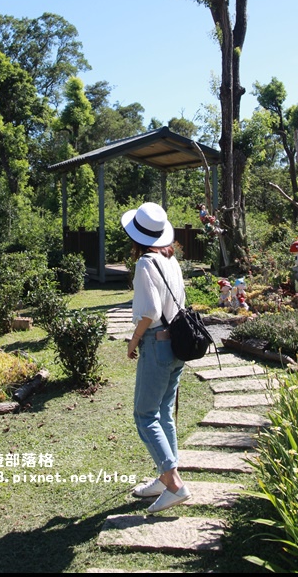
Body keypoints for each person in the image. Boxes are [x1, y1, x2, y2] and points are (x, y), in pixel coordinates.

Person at [121, 201, 192, 514]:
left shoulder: (145, 264)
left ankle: (173, 483)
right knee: (163, 411)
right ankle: (165, 480)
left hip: (156, 343)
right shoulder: (170, 261)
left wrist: (133, 341)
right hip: (177, 344)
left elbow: (149, 311)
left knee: (144, 414)